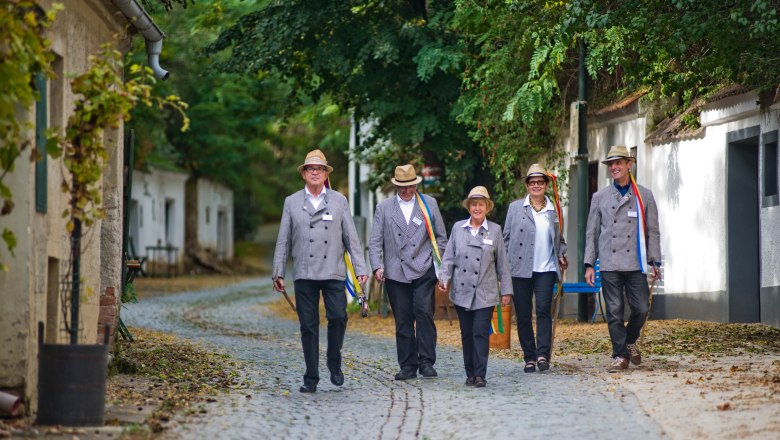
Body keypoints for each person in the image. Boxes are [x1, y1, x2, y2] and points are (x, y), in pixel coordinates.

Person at [272, 149, 369, 393]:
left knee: (338, 316)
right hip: (305, 273)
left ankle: (334, 361)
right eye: (310, 169)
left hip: (333, 272)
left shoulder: (339, 200)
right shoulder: (291, 202)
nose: (315, 172)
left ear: (326, 174)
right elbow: (283, 240)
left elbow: (351, 237)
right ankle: (311, 376)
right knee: (308, 325)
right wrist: (278, 271)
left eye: (320, 169)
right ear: (304, 173)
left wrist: (360, 268)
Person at [584, 145, 661, 372]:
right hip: (609, 262)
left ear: (630, 164)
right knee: (614, 310)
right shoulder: (600, 197)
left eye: (619, 163)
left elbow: (653, 231)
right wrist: (590, 264)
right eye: (611, 164)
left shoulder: (644, 195)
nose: (614, 167)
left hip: (636, 262)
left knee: (641, 309)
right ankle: (619, 356)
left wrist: (654, 260)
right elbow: (592, 232)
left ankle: (629, 341)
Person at [369, 164, 447, 380]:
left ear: (415, 184)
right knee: (402, 319)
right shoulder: (384, 208)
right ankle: (407, 365)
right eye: (402, 187)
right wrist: (377, 266)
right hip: (396, 271)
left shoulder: (428, 204)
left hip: (423, 268)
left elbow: (441, 237)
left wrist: (441, 266)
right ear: (396, 186)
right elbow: (375, 241)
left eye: (409, 186)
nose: (406, 190)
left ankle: (426, 361)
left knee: (423, 312)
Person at [439, 186, 512, 387]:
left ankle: (480, 374)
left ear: (487, 207)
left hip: (484, 291)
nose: (477, 208)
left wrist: (506, 290)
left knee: (480, 332)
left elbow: (503, 264)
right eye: (474, 204)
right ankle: (470, 373)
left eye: (481, 204)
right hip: (461, 291)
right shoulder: (458, 228)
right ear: (469, 207)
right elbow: (449, 257)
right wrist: (444, 278)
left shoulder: (495, 230)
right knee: (466, 333)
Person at [503, 164, 568, 373]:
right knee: (523, 314)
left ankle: (542, 355)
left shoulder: (554, 209)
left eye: (540, 182)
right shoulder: (515, 208)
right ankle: (529, 357)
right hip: (519, 269)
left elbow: (560, 240)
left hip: (546, 269)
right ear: (527, 185)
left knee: (542, 311)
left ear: (546, 185)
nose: (536, 186)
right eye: (532, 182)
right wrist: (503, 269)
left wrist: (562, 254)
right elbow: (505, 239)